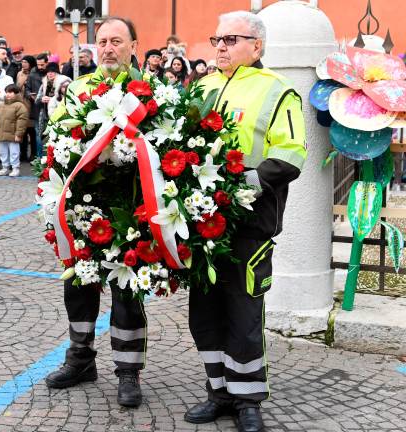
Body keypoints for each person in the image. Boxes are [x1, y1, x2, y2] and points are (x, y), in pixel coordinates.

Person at [184, 11, 308, 432]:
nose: (219, 46)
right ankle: (218, 392)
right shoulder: (200, 87)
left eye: (230, 39)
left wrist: (239, 185)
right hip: (201, 223)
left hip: (248, 221)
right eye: (216, 38)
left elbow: (291, 154)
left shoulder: (277, 91)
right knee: (204, 311)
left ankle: (248, 399)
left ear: (256, 46)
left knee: (243, 310)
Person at [44, 16, 149, 409]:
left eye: (116, 41)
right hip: (85, 209)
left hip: (134, 210)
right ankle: (80, 359)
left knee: (126, 292)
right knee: (78, 287)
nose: (107, 48)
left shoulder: (150, 91)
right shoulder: (79, 89)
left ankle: (128, 372)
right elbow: (57, 141)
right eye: (102, 41)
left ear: (134, 46)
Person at [0, 84, 27, 177]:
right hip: (1, 132)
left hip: (13, 134)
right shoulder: (1, 105)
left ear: (16, 94)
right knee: (3, 151)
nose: (8, 94)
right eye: (7, 92)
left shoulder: (20, 105)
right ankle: (5, 167)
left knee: (14, 152)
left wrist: (19, 133)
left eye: (11, 92)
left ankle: (15, 168)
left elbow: (22, 120)